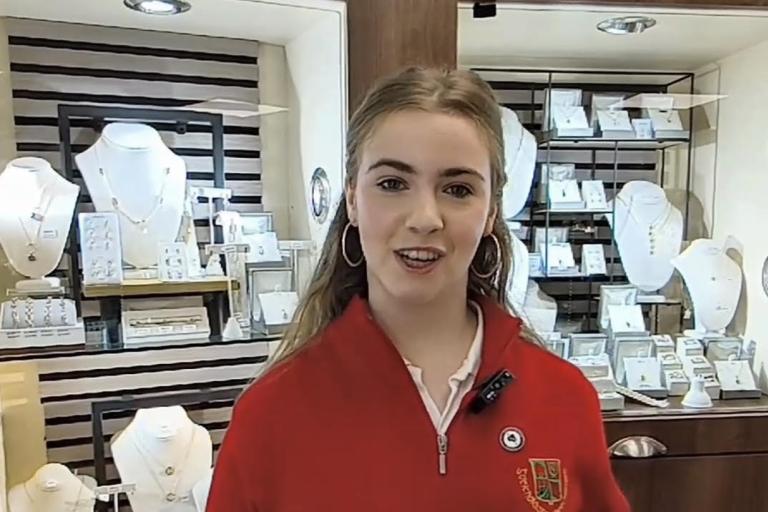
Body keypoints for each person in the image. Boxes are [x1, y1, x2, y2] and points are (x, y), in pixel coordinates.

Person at [206, 67, 629, 512]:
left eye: (457, 188)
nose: (425, 217)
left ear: (490, 213)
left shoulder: (565, 399)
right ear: (353, 198)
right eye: (393, 184)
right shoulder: (272, 414)